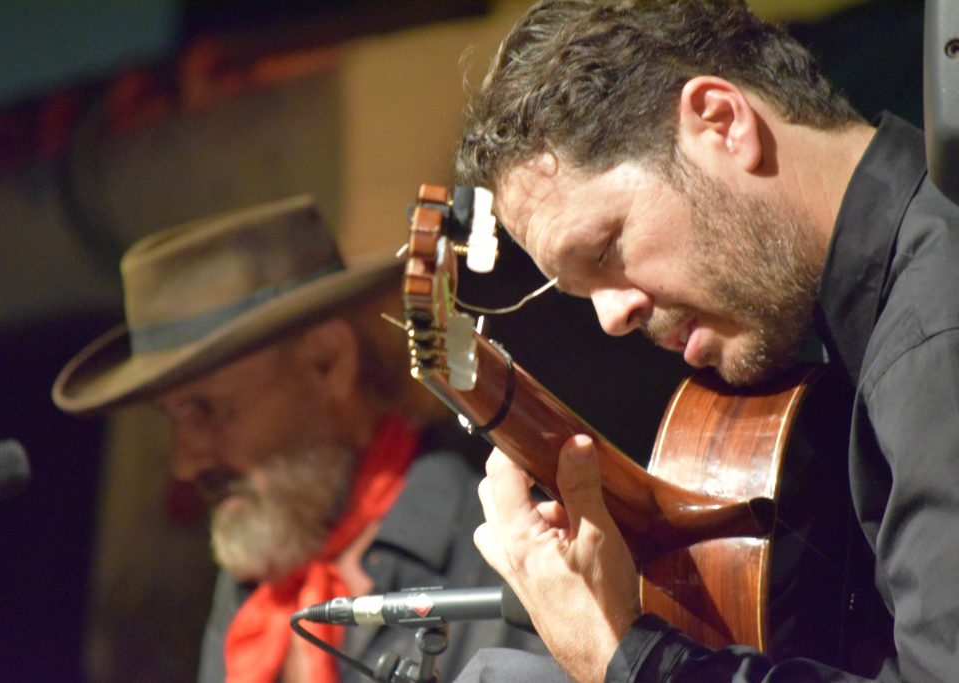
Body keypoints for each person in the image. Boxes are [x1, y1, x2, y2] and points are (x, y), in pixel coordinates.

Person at [450, 1, 959, 681]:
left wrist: (622, 658)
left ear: (721, 122)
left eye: (605, 249)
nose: (612, 317)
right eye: (581, 292)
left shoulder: (932, 339)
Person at [52, 195, 546, 683]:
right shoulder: (256, 579)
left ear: (328, 362)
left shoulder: (504, 550)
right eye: (173, 418)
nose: (185, 462)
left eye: (210, 408)